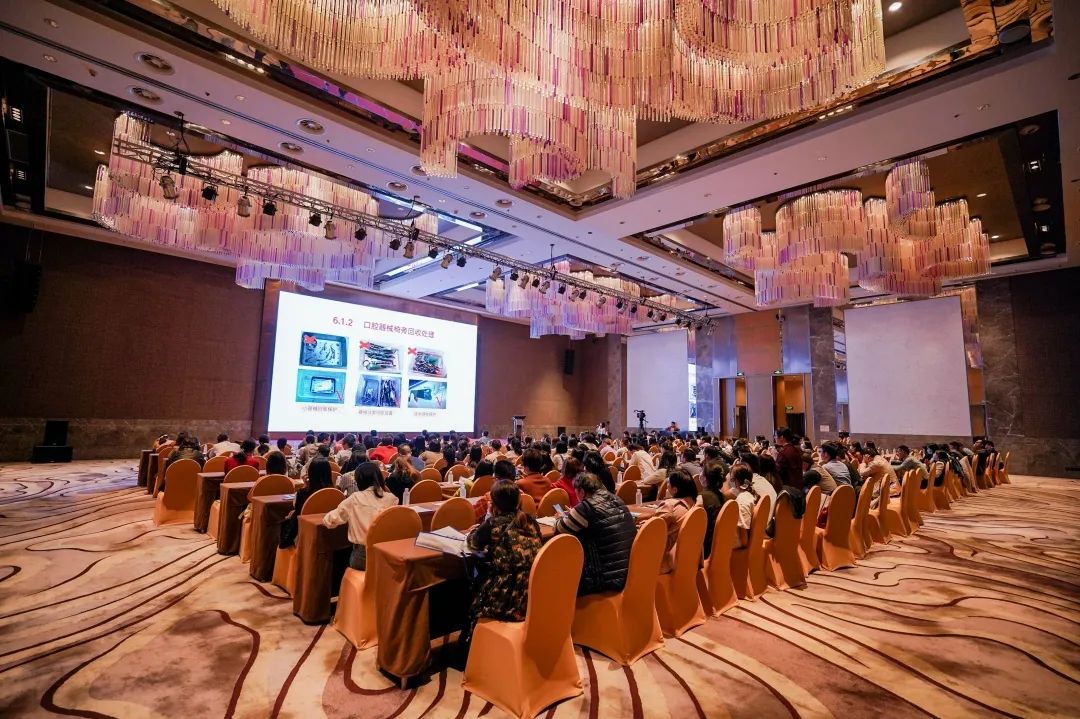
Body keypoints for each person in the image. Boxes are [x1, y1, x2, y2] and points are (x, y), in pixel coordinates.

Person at [463, 481, 542, 650]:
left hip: (504, 596)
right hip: (533, 593)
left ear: (493, 503)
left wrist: (484, 521)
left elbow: (472, 543)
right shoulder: (530, 521)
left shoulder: (492, 524)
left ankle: (470, 649)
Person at [554, 472, 635, 594]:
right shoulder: (617, 499)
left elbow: (560, 529)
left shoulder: (586, 507)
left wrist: (559, 518)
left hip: (605, 579)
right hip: (629, 572)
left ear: (581, 491)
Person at [322, 462, 398, 569]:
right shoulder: (392, 499)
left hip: (362, 556)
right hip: (387, 555)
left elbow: (330, 521)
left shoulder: (355, 498)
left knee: (340, 557)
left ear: (359, 481)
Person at [280, 457, 334, 548]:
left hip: (305, 535)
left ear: (310, 473)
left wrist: (305, 486)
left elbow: (298, 511)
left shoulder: (303, 493)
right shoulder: (334, 492)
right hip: (330, 536)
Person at [652, 468, 698, 573]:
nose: (666, 485)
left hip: (664, 560)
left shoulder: (670, 505)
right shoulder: (695, 505)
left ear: (675, 490)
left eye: (668, 483)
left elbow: (652, 529)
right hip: (687, 559)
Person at [699, 462, 727, 557]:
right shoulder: (723, 497)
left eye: (701, 472)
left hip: (705, 550)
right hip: (719, 546)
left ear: (705, 478)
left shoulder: (701, 498)